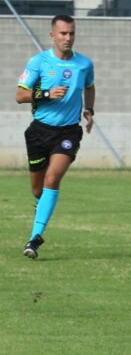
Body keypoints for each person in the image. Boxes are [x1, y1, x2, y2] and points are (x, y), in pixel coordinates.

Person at [16, 14, 95, 259]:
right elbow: (20, 95)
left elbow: (90, 87)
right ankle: (41, 208)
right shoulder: (38, 62)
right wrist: (47, 93)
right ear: (52, 35)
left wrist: (89, 110)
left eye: (71, 33)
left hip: (68, 131)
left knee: (53, 177)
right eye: (63, 33)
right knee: (38, 189)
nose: (68, 38)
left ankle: (34, 239)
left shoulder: (84, 64)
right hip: (39, 132)